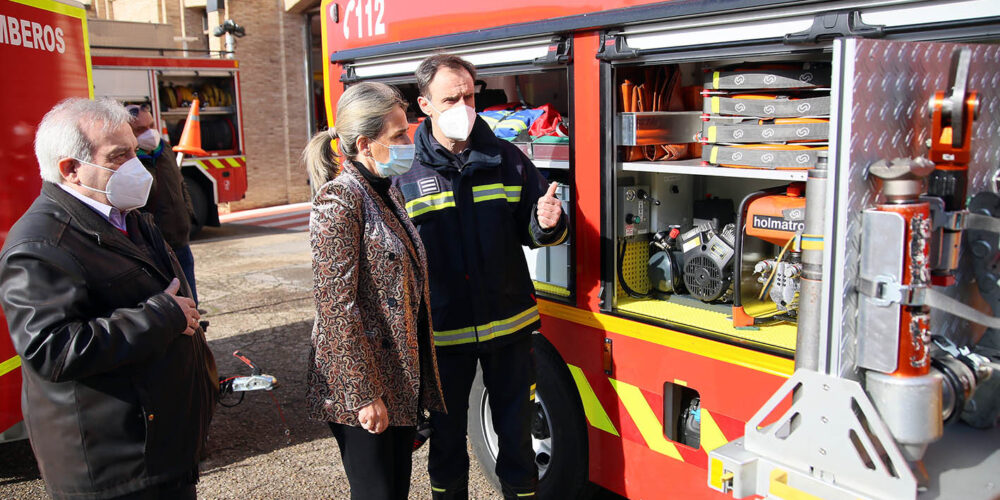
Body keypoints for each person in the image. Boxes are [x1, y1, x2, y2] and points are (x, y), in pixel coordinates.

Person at [0, 98, 217, 500]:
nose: (136, 165)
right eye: (120, 156)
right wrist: (161, 317)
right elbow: (51, 349)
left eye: (135, 151)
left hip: (158, 450)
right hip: (114, 470)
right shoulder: (40, 244)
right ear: (71, 169)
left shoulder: (125, 214)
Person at [392, 54, 568, 499]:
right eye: (451, 97)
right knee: (446, 446)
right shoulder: (403, 171)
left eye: (469, 95)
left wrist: (547, 223)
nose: (463, 106)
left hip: (509, 329)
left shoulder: (506, 157)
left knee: (517, 443)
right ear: (424, 105)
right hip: (442, 339)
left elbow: (535, 228)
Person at [303, 81, 445, 500]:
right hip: (362, 388)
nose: (409, 141)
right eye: (398, 135)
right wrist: (364, 395)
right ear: (365, 144)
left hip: (396, 379)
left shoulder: (385, 190)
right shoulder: (339, 199)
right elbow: (335, 307)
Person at [127, 103, 200, 305]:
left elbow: (180, 183)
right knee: (171, 299)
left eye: (151, 125)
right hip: (155, 244)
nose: (150, 133)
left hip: (180, 236)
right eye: (141, 130)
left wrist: (188, 214)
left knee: (190, 294)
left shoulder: (164, 149)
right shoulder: (128, 162)